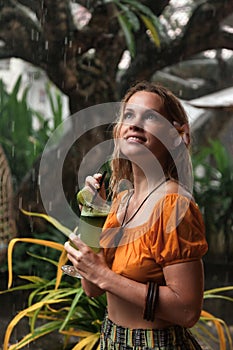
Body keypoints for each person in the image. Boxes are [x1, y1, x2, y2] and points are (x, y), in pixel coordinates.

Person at [64, 81, 208, 349]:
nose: (135, 123)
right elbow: (92, 288)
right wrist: (92, 214)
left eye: (150, 116)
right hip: (111, 340)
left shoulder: (173, 205)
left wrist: (104, 275)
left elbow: (188, 311)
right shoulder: (121, 199)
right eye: (129, 115)